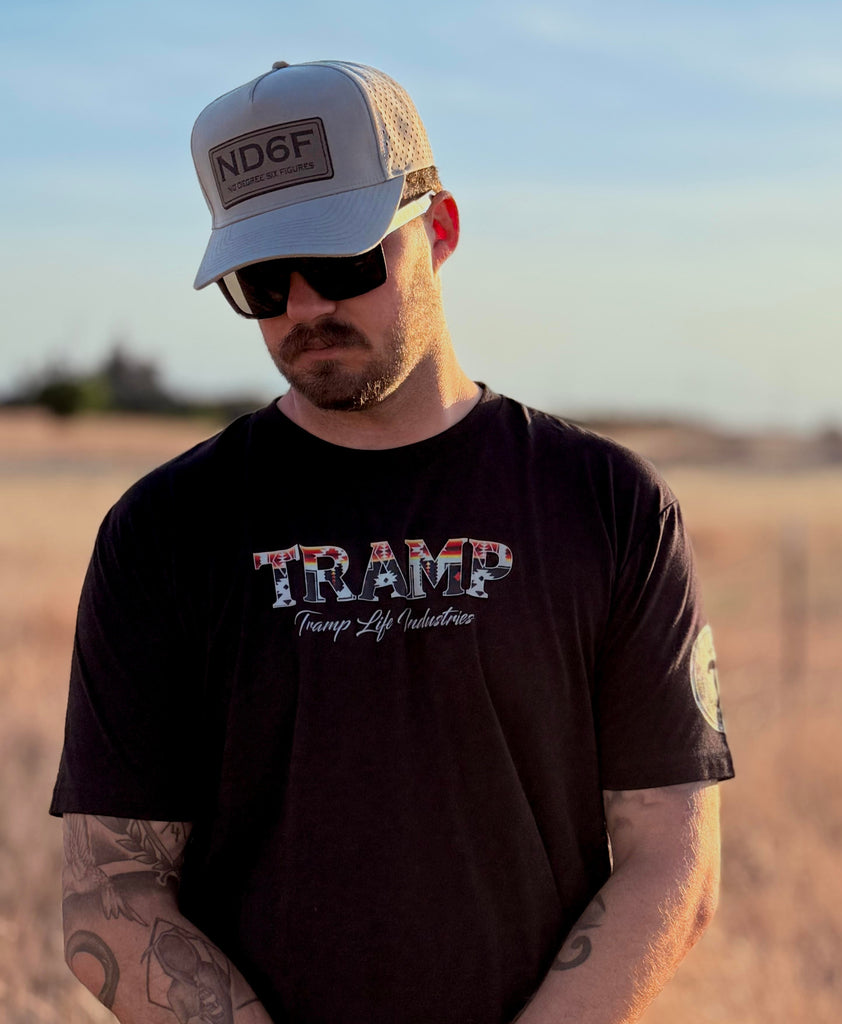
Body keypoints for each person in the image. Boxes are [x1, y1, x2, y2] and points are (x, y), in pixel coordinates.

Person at [51, 59, 735, 1024]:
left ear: (440, 230)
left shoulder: (606, 504)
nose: (303, 309)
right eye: (260, 282)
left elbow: (674, 857)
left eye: (339, 263)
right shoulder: (162, 534)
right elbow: (108, 893)